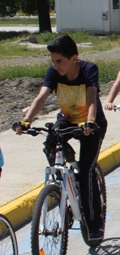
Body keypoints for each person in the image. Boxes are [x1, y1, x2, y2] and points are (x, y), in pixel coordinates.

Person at [13, 35, 107, 242]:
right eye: (53, 61)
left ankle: (94, 223)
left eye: (59, 61)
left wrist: (90, 122)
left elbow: (92, 97)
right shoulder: (53, 73)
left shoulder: (89, 70)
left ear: (74, 58)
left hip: (92, 125)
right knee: (50, 143)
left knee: (86, 173)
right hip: (67, 121)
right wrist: (26, 120)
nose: (55, 66)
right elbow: (41, 97)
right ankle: (64, 183)